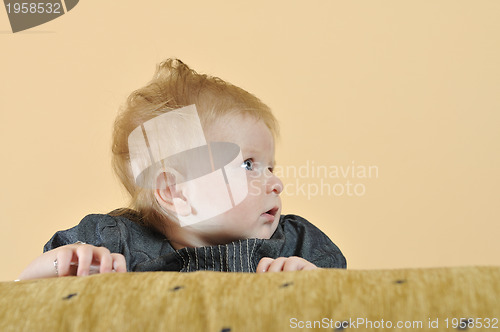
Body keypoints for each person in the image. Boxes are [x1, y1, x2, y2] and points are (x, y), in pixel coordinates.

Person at [18, 59, 346, 280]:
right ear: (176, 192)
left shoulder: (295, 243)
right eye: (248, 165)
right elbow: (22, 290)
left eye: (270, 166)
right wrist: (65, 263)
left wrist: (313, 280)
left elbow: (348, 304)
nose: (276, 183)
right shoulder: (114, 243)